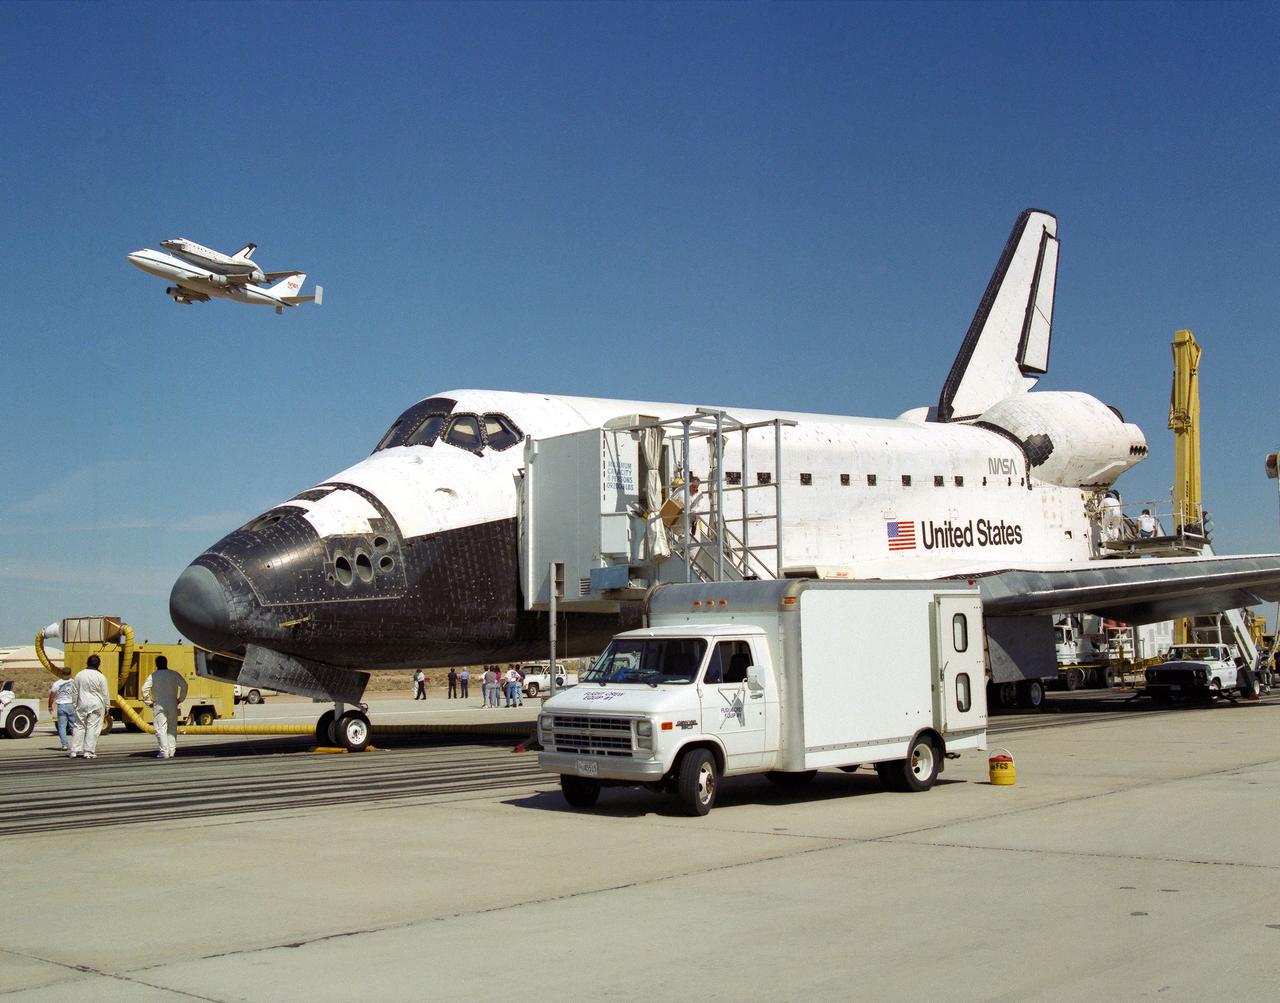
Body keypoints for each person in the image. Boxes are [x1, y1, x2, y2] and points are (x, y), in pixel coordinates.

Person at [141, 654, 189, 759]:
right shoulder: (174, 674)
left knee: (160, 729)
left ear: (156, 664)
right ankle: (172, 751)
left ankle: (164, 752)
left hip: (159, 704)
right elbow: (185, 685)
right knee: (172, 728)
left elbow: (144, 689)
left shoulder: (153, 675)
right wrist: (180, 699)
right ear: (166, 663)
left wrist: (148, 701)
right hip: (172, 703)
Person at [69, 654, 110, 759]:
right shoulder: (101, 676)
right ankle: (88, 751)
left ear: (87, 663)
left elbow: (74, 692)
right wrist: (107, 706)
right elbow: (105, 693)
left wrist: (74, 704)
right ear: (99, 664)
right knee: (92, 727)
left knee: (79, 726)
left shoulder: (79, 675)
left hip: (81, 703)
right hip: (96, 704)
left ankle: (74, 750)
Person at [48, 667, 76, 751]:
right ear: (70, 674)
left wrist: (50, 705)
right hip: (71, 705)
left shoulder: (57, 683)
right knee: (73, 726)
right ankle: (76, 745)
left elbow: (52, 695)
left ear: (61, 674)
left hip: (61, 706)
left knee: (62, 727)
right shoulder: (74, 682)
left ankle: (64, 745)